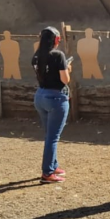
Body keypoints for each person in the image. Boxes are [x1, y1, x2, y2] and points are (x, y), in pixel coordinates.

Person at [32, 27, 72, 184]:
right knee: (53, 137)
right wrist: (68, 68)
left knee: (49, 134)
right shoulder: (58, 55)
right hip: (56, 97)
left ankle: (53, 166)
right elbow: (65, 80)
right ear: (55, 40)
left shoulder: (36, 55)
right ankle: (47, 173)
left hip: (41, 96)